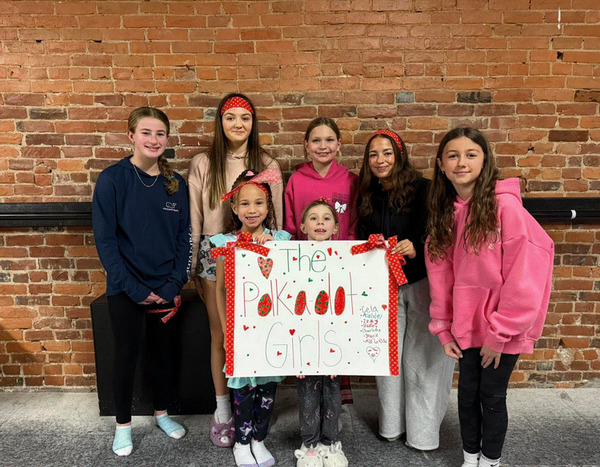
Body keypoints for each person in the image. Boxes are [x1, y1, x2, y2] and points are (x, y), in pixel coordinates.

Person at [426, 127, 554, 467]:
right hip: (466, 327)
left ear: (485, 161)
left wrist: (501, 334)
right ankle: (471, 459)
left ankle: (491, 461)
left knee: (492, 396)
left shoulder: (505, 207)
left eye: (471, 155)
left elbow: (525, 273)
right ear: (441, 164)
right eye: (453, 156)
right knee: (467, 396)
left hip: (503, 329)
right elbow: (440, 276)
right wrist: (443, 329)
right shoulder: (444, 212)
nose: (461, 162)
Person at [92, 107, 191, 456]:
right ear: (131, 136)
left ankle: (162, 413)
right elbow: (105, 242)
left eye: (160, 133)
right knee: (125, 356)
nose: (153, 139)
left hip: (165, 287)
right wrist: (134, 288)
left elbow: (183, 238)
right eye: (146, 132)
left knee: (162, 355)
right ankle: (123, 426)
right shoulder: (112, 179)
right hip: (125, 288)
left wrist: (173, 284)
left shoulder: (175, 183)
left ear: (167, 139)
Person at [188, 93, 284, 447]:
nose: (238, 124)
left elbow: (277, 218)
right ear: (221, 122)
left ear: (253, 123)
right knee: (221, 335)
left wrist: (278, 255)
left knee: (257, 333)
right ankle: (223, 408)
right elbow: (195, 217)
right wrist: (193, 264)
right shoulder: (203, 163)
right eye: (230, 117)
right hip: (216, 253)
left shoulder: (268, 163)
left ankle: (255, 407)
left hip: (259, 254)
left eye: (245, 117)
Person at [357, 129, 455, 450]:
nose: (380, 160)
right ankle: (391, 427)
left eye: (387, 153)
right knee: (387, 357)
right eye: (373, 154)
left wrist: (417, 246)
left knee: (423, 358)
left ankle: (423, 435)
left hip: (422, 281)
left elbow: (438, 233)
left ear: (399, 156)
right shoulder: (367, 195)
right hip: (383, 286)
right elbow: (361, 236)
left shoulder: (423, 189)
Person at [211, 169, 291, 467]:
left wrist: (273, 250)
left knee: (267, 388)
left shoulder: (280, 240)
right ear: (234, 207)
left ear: (268, 207)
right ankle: (242, 443)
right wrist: (226, 329)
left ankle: (259, 439)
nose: (252, 209)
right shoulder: (226, 243)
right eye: (244, 203)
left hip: (270, 328)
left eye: (259, 203)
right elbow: (220, 289)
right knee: (243, 389)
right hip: (240, 330)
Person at [284, 116, 358, 406]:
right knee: (308, 328)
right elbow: (291, 226)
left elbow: (354, 225)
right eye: (316, 140)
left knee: (338, 329)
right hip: (305, 268)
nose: (323, 146)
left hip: (340, 268)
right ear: (306, 145)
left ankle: (339, 397)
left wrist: (345, 259)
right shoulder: (296, 180)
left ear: (339, 145)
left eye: (329, 140)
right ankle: (309, 397)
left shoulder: (351, 180)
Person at [293, 200, 349, 467]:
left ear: (336, 227)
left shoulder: (346, 258)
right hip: (304, 340)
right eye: (313, 218)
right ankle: (310, 445)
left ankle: (330, 442)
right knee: (308, 394)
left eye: (326, 218)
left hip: (334, 339)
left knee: (332, 393)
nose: (320, 223)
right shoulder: (291, 258)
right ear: (303, 227)